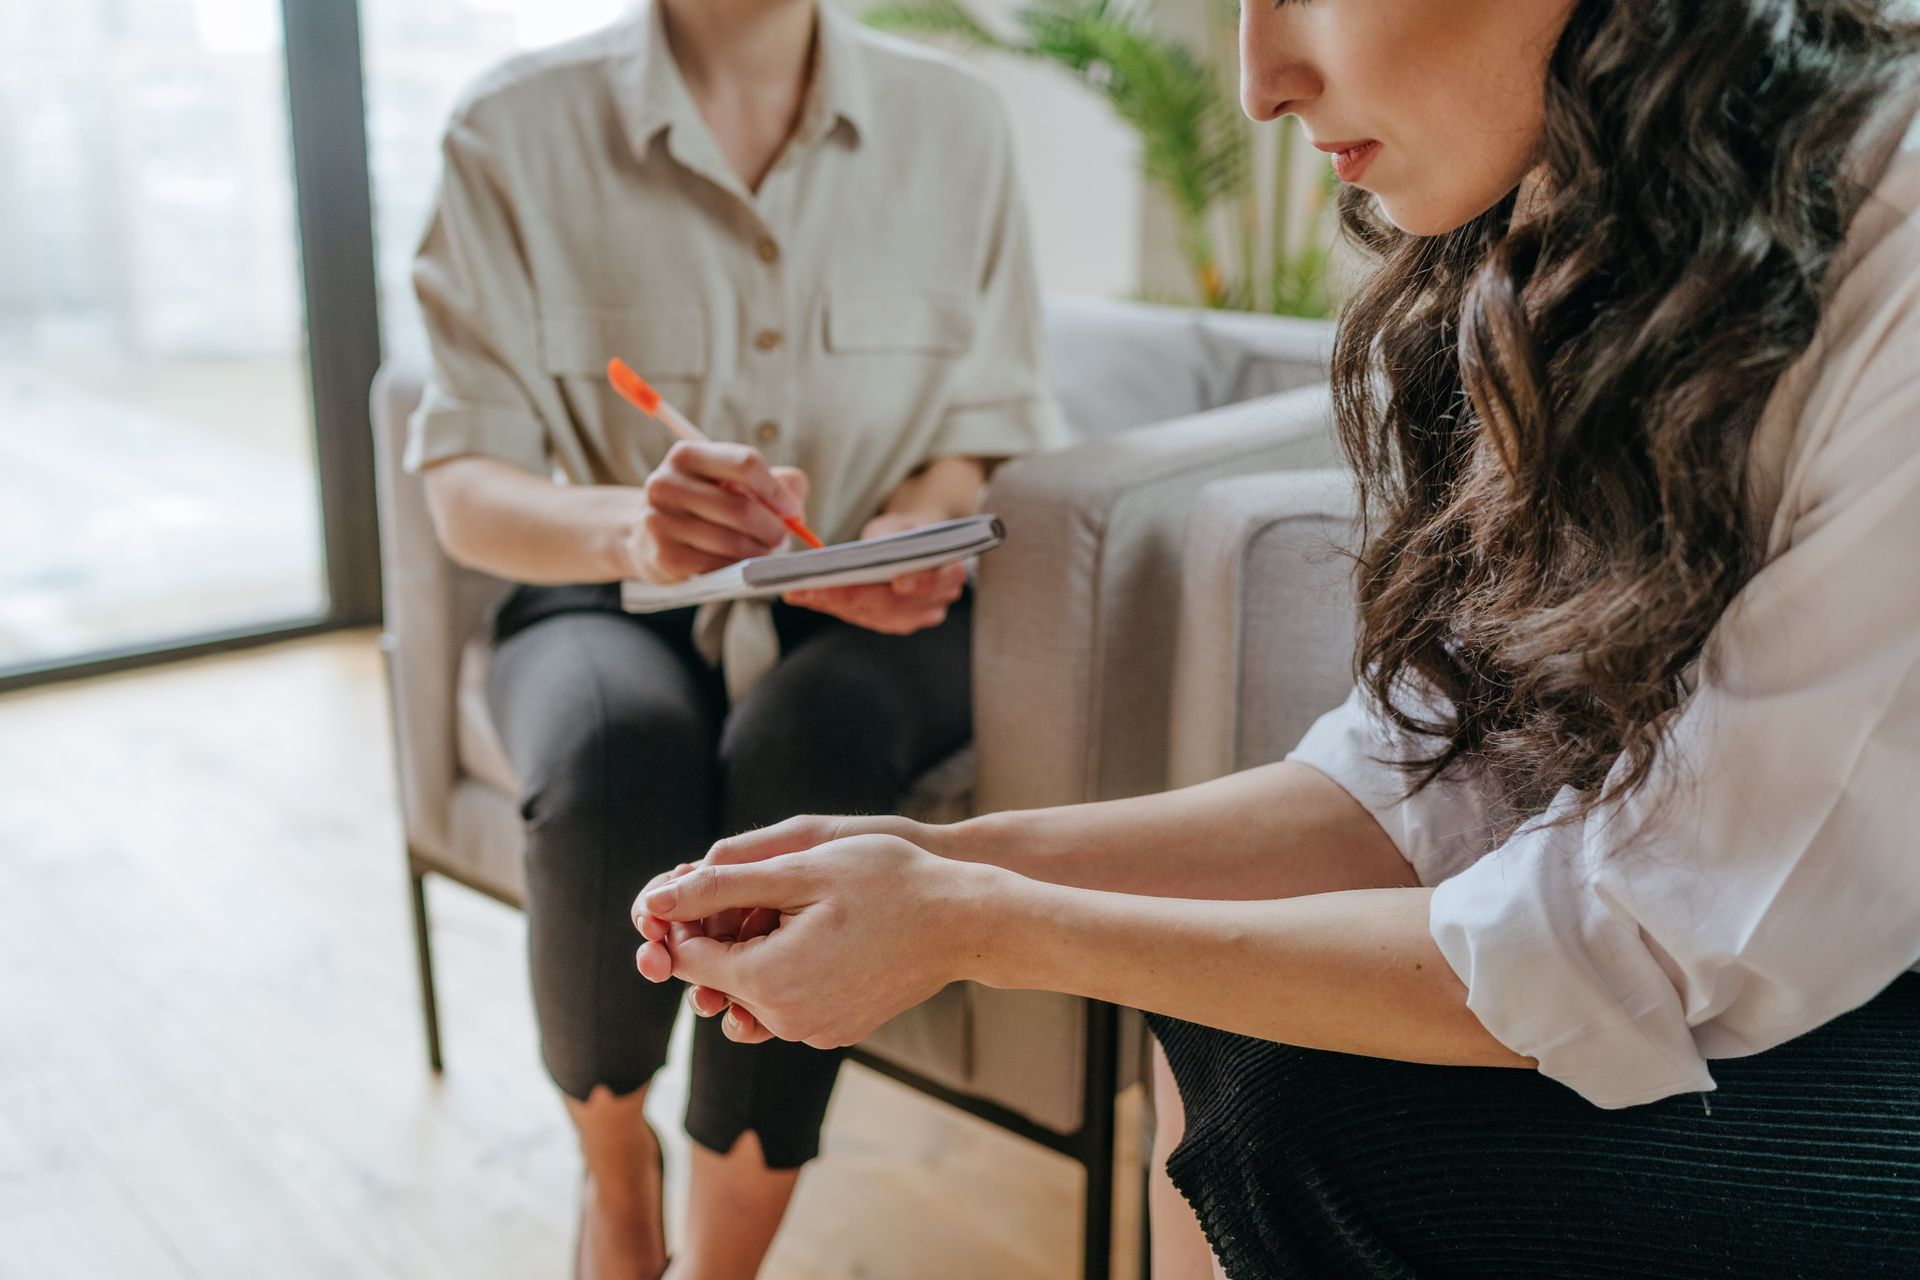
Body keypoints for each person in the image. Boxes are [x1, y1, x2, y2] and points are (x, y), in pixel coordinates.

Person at [631, 2, 1920, 1276]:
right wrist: (950, 854)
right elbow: (1429, 769)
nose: (1258, 80)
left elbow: (1646, 931)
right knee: (1225, 1032)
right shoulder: (1583, 220)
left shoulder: (1892, 246)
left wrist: (976, 921)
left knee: (1294, 1102)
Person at [404, 0, 1063, 1275]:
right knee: (610, 758)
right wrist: (633, 532)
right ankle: (617, 1190)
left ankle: (724, 1261)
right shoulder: (509, 130)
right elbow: (463, 484)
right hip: (607, 588)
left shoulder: (958, 124)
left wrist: (912, 530)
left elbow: (978, 432)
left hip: (874, 607)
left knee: (807, 755)